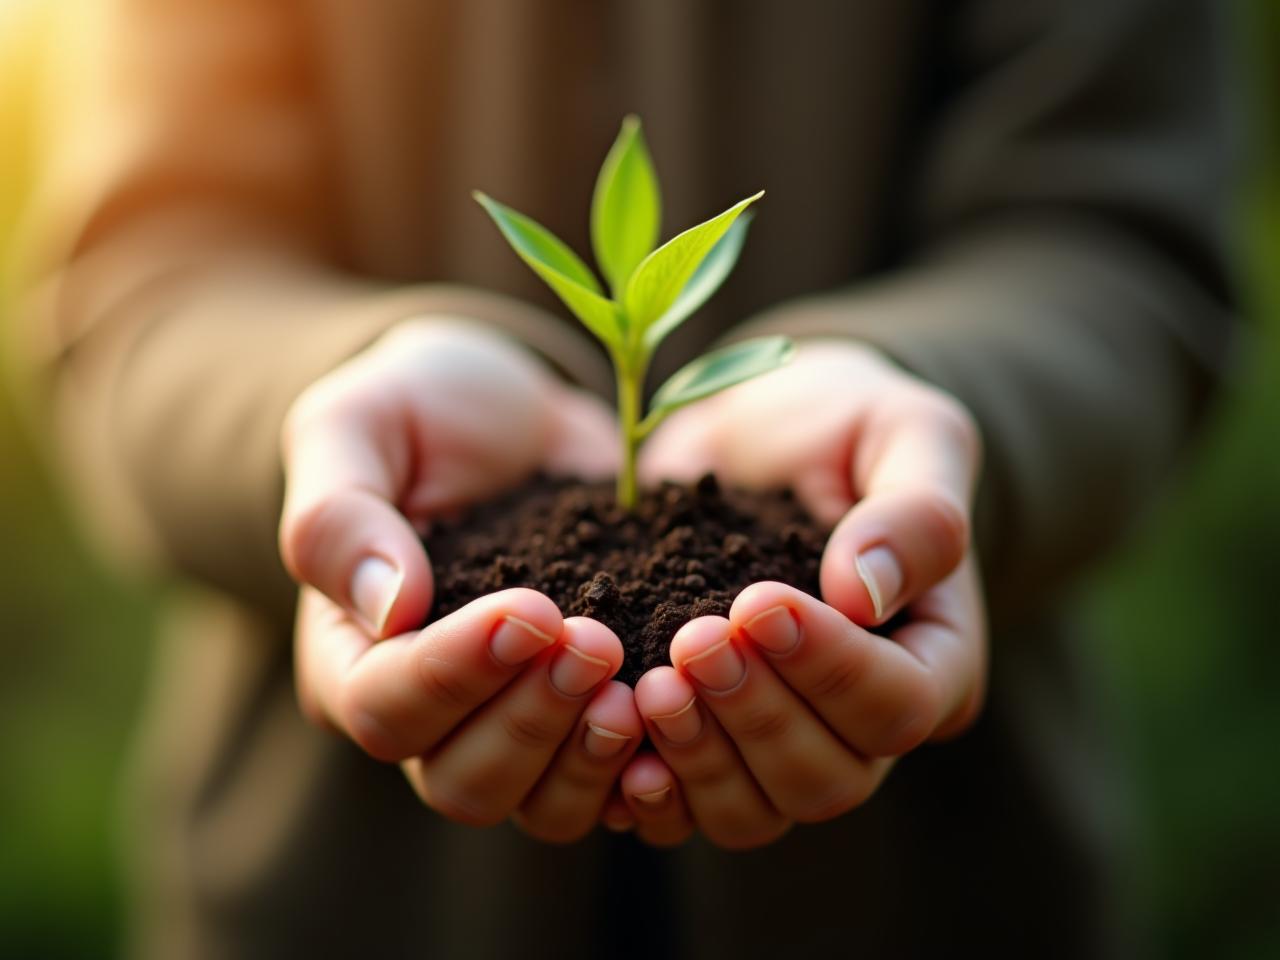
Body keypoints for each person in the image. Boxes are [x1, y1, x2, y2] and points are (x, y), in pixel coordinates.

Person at [17, 0, 1235, 956]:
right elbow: (142, 271)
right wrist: (317, 400)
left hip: (939, 884)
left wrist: (931, 397)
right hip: (336, 892)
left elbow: (1114, 234)